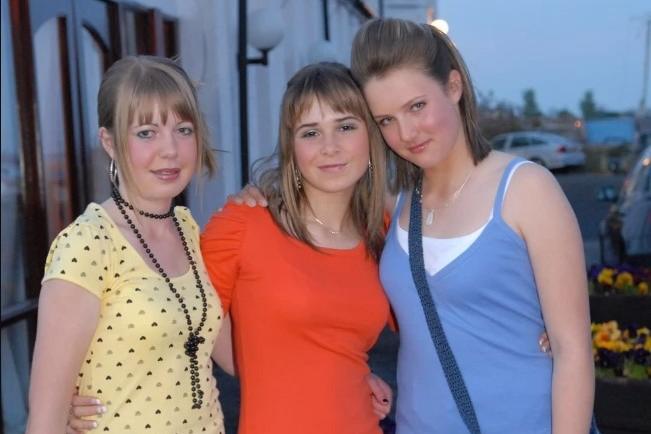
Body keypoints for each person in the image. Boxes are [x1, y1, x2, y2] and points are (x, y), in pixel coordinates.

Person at [231, 18, 594, 434]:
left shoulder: (526, 190)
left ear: (454, 87)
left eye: (416, 106)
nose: (405, 133)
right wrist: (264, 195)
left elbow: (573, 353)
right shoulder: (394, 208)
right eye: (385, 120)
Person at [64, 62, 394, 434]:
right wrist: (77, 395)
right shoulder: (245, 225)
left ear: (372, 135)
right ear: (291, 148)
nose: (330, 147)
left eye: (346, 126)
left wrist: (349, 375)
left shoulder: (383, 231)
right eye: (310, 132)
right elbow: (174, 324)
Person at [26, 56, 232, 434]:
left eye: (183, 129)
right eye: (146, 133)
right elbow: (45, 420)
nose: (170, 150)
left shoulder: (188, 231)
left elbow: (236, 356)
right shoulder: (87, 245)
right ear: (109, 142)